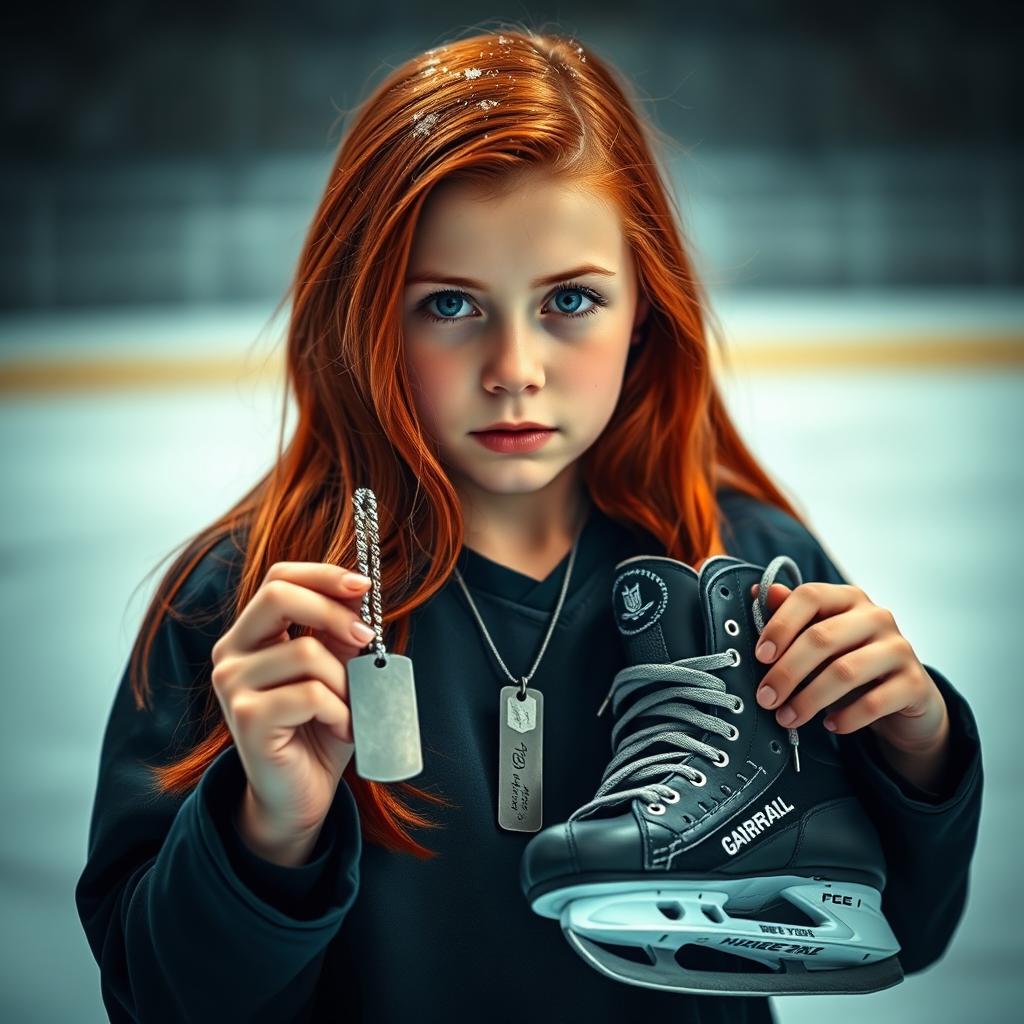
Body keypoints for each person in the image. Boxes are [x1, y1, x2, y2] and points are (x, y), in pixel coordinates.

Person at [75, 25, 983, 1024]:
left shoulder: (749, 572)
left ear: (645, 304)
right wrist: (264, 829)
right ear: (368, 310)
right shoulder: (247, 610)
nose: (514, 366)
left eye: (570, 299)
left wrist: (918, 748)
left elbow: (900, 931)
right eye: (452, 303)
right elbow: (155, 1001)